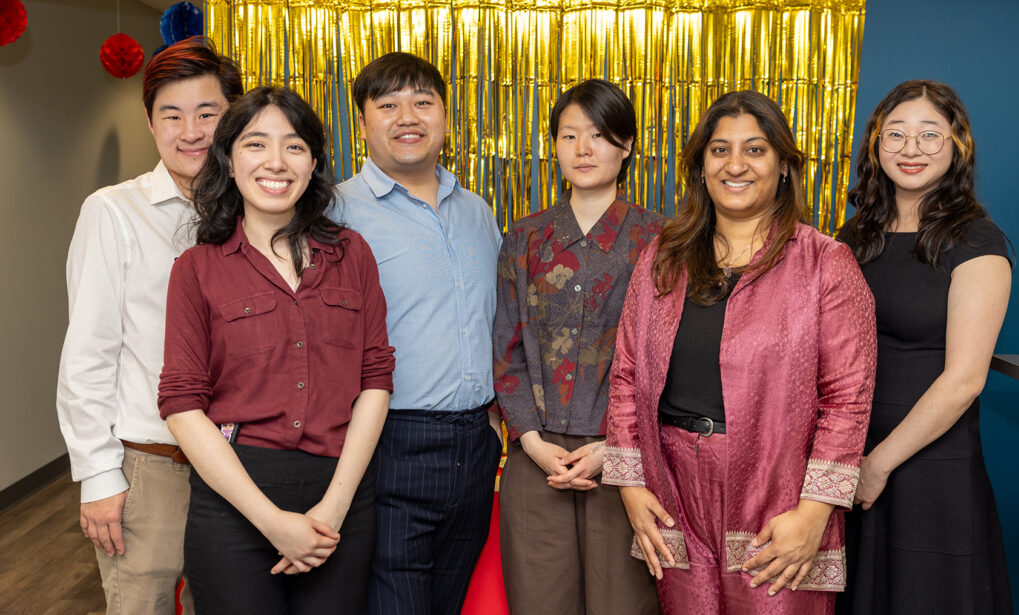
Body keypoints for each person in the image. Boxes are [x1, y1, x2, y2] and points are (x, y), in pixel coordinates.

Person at [602, 90, 877, 614]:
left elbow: (848, 399)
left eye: (754, 149)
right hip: (673, 489)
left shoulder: (825, 263)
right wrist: (631, 488)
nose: (735, 165)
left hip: (778, 494)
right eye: (719, 150)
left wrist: (814, 512)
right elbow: (626, 375)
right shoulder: (663, 257)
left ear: (783, 165)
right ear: (701, 166)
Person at [157, 85, 393, 613]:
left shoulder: (352, 254)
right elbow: (181, 403)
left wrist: (335, 507)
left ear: (313, 163)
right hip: (236, 497)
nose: (276, 162)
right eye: (256, 143)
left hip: (341, 494)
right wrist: (270, 521)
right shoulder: (197, 269)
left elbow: (376, 378)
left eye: (294, 146)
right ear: (229, 160)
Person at [56, 36, 242, 614]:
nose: (191, 132)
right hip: (153, 466)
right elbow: (88, 353)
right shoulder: (113, 211)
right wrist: (98, 476)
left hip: (247, 468)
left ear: (233, 117)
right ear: (150, 121)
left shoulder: (259, 209)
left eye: (207, 113)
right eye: (172, 115)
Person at [835, 81, 1014, 614]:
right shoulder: (852, 238)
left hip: (931, 464)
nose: (911, 148)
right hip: (849, 456)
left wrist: (878, 465)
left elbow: (964, 380)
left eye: (929, 134)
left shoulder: (977, 241)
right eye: (896, 134)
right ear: (875, 144)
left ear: (957, 144)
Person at [337, 52, 503, 615]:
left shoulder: (477, 211)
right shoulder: (336, 213)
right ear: (362, 124)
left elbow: (497, 323)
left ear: (446, 119)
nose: (407, 116)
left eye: (422, 102)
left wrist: (494, 425)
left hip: (475, 446)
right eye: (388, 105)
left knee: (449, 604)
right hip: (387, 443)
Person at [493, 79, 664, 615]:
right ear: (554, 146)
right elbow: (506, 348)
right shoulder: (524, 238)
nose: (583, 149)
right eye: (569, 136)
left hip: (627, 458)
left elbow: (669, 358)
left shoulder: (661, 241)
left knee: (623, 603)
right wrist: (530, 440)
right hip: (536, 457)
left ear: (627, 144)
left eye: (599, 135)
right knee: (539, 601)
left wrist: (616, 448)